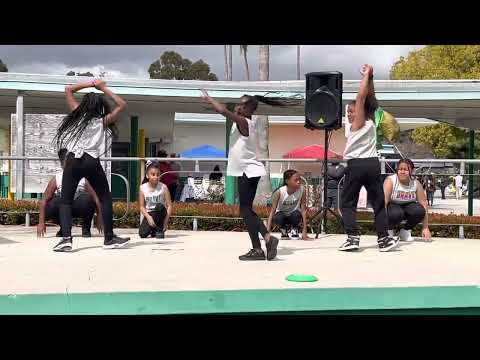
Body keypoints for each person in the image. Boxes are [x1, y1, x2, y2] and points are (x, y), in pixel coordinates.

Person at [200, 89, 300, 260]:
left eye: (242, 105)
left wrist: (210, 99)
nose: (238, 107)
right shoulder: (244, 122)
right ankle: (259, 248)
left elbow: (223, 111)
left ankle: (267, 239)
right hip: (245, 170)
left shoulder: (244, 122)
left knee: (245, 210)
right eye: (238, 104)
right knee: (246, 210)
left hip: (248, 170)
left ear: (249, 110)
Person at [52, 79, 130, 252]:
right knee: (104, 198)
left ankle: (66, 239)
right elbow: (122, 104)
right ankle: (109, 238)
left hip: (72, 160)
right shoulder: (102, 121)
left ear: (84, 105)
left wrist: (90, 83)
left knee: (65, 200)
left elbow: (68, 89)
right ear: (99, 107)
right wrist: (103, 88)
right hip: (91, 160)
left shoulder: (76, 114)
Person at [340, 64, 398, 252]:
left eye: (351, 111)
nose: (349, 114)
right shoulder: (372, 121)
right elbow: (370, 99)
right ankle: (384, 240)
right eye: (347, 112)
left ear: (360, 111)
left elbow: (362, 97)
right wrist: (371, 78)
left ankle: (353, 238)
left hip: (357, 165)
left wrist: (365, 76)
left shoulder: (359, 121)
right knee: (379, 203)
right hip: (373, 164)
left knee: (347, 204)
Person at [37, 148, 103, 238]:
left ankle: (86, 228)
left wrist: (99, 217)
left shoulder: (83, 177)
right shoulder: (57, 178)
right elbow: (44, 201)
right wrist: (41, 223)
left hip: (79, 206)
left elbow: (96, 198)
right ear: (61, 165)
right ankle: (64, 228)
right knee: (51, 205)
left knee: (87, 199)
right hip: (64, 208)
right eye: (65, 163)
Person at [384, 159, 432, 242]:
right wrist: (382, 226)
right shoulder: (390, 181)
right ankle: (389, 231)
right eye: (400, 169)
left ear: (411, 171)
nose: (402, 172)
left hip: (408, 207)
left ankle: (405, 231)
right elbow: (383, 203)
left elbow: (424, 204)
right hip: (392, 207)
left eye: (405, 169)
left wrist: (425, 227)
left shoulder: (416, 183)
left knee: (420, 211)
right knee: (396, 213)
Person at [267, 169, 310, 240]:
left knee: (296, 214)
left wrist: (304, 231)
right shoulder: (280, 192)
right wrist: (267, 231)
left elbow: (303, 210)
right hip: (281, 215)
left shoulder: (302, 190)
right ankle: (283, 230)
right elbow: (272, 211)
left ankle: (294, 229)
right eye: (296, 180)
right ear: (287, 181)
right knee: (279, 217)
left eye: (299, 179)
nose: (299, 182)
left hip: (294, 215)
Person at [139, 160, 173, 239]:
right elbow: (141, 206)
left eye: (158, 175)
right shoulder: (142, 188)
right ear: (147, 176)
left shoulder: (164, 187)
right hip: (150, 213)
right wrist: (148, 217)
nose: (156, 177)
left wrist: (165, 222)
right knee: (142, 234)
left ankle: (159, 229)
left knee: (159, 206)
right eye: (153, 175)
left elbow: (170, 206)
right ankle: (154, 230)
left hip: (160, 212)